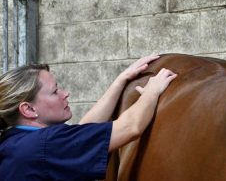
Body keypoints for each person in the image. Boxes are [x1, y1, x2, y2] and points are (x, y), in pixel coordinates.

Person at [0, 54, 177, 181]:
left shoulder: (15, 143)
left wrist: (120, 81)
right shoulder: (42, 146)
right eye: (55, 92)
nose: (65, 94)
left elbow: (81, 134)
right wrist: (152, 91)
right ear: (29, 109)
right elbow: (130, 127)